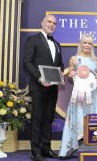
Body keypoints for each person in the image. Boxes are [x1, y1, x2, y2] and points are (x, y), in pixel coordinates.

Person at [23, 15, 64, 161]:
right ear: (42, 23)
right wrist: (39, 78)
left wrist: (61, 76)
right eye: (49, 22)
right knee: (37, 118)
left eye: (54, 23)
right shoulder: (32, 40)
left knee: (48, 119)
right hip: (38, 86)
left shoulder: (57, 44)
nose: (52, 25)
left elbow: (60, 65)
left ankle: (46, 149)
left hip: (52, 88)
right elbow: (27, 62)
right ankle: (35, 152)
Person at [58, 33, 97, 160]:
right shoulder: (74, 59)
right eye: (85, 42)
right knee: (76, 119)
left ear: (92, 46)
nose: (87, 45)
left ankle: (92, 150)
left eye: (90, 43)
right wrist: (71, 74)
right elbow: (71, 78)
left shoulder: (96, 61)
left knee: (92, 119)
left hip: (93, 97)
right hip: (78, 96)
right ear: (81, 44)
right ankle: (71, 148)